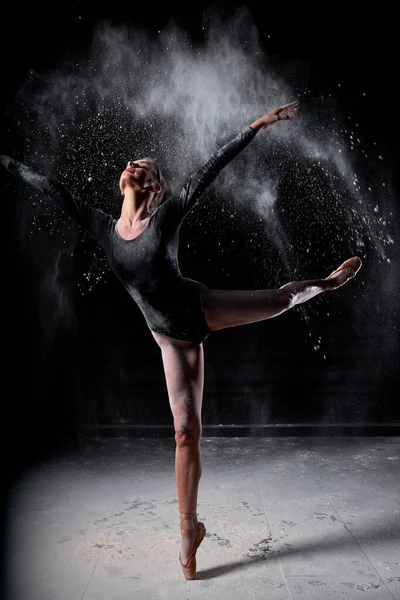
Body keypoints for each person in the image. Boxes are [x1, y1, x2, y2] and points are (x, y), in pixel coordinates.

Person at [0, 100, 361, 579]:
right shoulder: (103, 228)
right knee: (185, 433)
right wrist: (6, 162)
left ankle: (328, 283)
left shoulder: (165, 217)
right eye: (133, 163)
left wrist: (256, 125)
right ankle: (189, 530)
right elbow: (53, 191)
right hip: (171, 339)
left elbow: (210, 168)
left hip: (200, 308)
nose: (133, 164)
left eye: (144, 166)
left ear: (154, 187)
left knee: (278, 299)